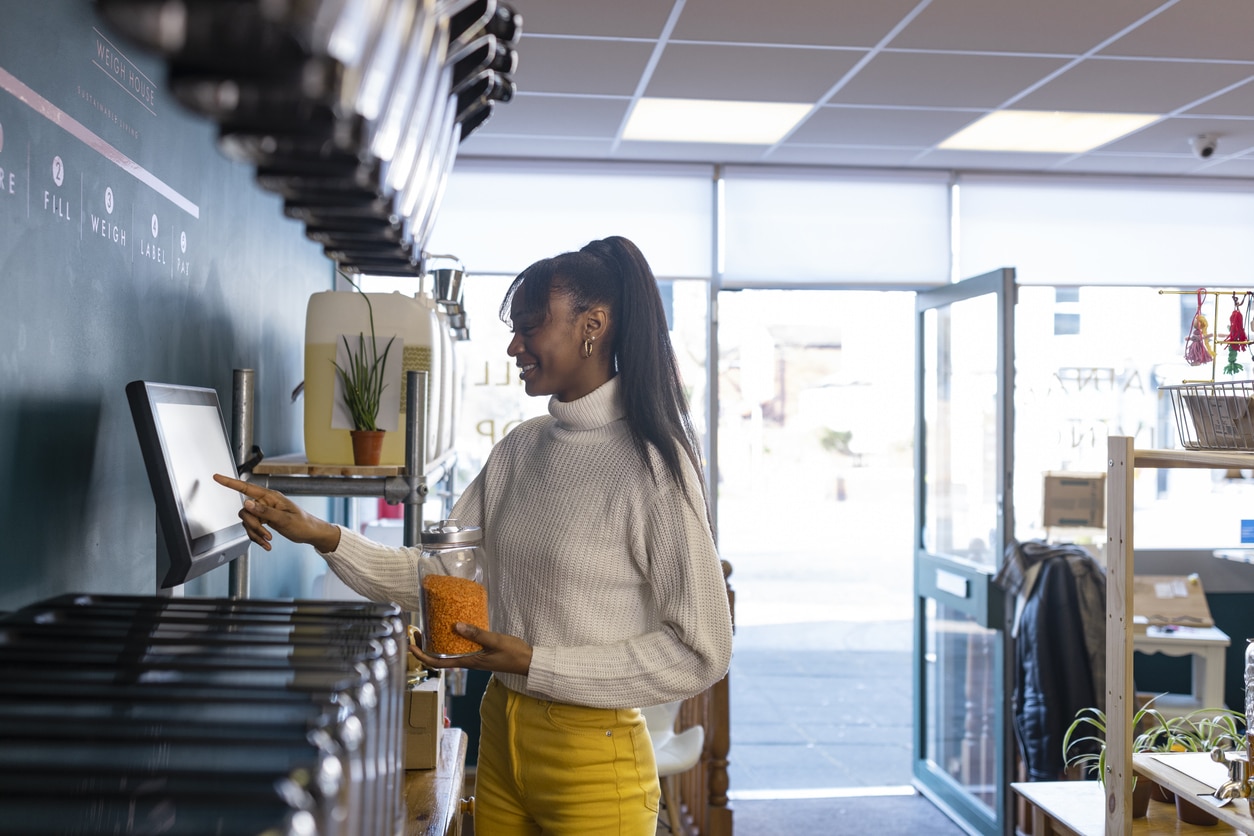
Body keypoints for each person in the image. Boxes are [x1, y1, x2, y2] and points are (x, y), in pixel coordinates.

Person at [215, 235, 733, 835]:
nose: (515, 346)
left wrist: (537, 663)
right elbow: (437, 579)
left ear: (594, 326)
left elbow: (704, 649)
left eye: (530, 327)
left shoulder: (652, 467)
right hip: (501, 733)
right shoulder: (519, 449)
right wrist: (320, 533)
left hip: (595, 759)